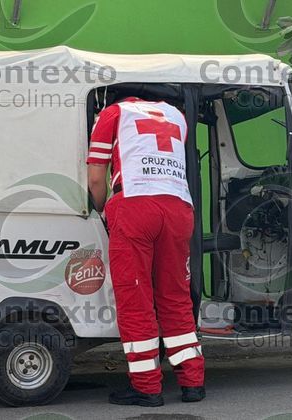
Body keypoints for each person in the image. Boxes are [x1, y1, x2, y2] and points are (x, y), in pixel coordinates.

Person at [87, 96, 205, 406]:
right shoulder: (177, 116)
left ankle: (147, 387)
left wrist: (102, 210)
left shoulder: (113, 113)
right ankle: (193, 382)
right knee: (175, 295)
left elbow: (96, 176)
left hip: (135, 205)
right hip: (178, 207)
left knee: (135, 299)